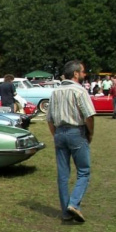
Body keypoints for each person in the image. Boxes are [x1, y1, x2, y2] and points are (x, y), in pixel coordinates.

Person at [46, 60, 95, 223]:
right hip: (76, 132)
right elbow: (88, 115)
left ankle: (66, 212)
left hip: (60, 132)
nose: (84, 74)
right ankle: (73, 204)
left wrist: (56, 135)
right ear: (75, 74)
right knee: (84, 170)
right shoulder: (79, 90)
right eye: (82, 72)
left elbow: (50, 119)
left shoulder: (55, 92)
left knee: (63, 174)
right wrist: (90, 133)